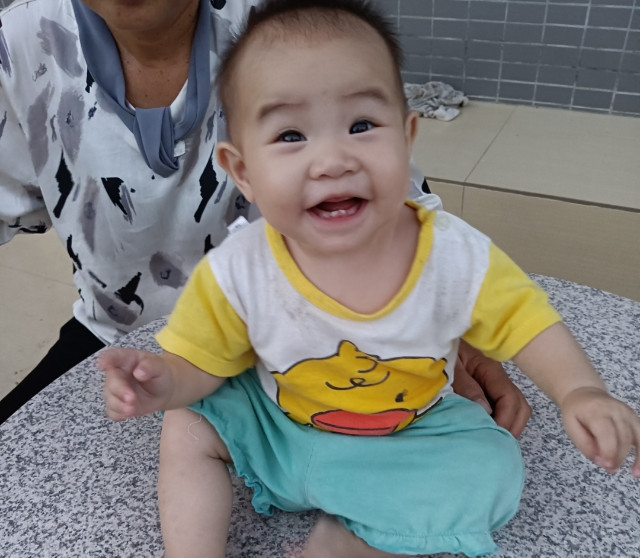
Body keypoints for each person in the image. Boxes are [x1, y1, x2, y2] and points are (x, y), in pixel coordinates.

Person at [91, 1, 640, 558]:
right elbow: (200, 363)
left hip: (409, 434)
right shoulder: (239, 268)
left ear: (407, 137)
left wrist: (580, 390)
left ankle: (354, 542)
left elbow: (529, 323)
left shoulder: (453, 255)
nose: (332, 160)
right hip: (277, 428)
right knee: (189, 423)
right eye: (290, 136)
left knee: (495, 470)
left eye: (361, 124)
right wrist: (163, 382)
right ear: (242, 171)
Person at [0, 0, 528, 429]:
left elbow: (396, 201)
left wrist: (451, 327)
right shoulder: (20, 43)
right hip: (119, 335)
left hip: (310, 340)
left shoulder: (291, 23)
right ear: (237, 165)